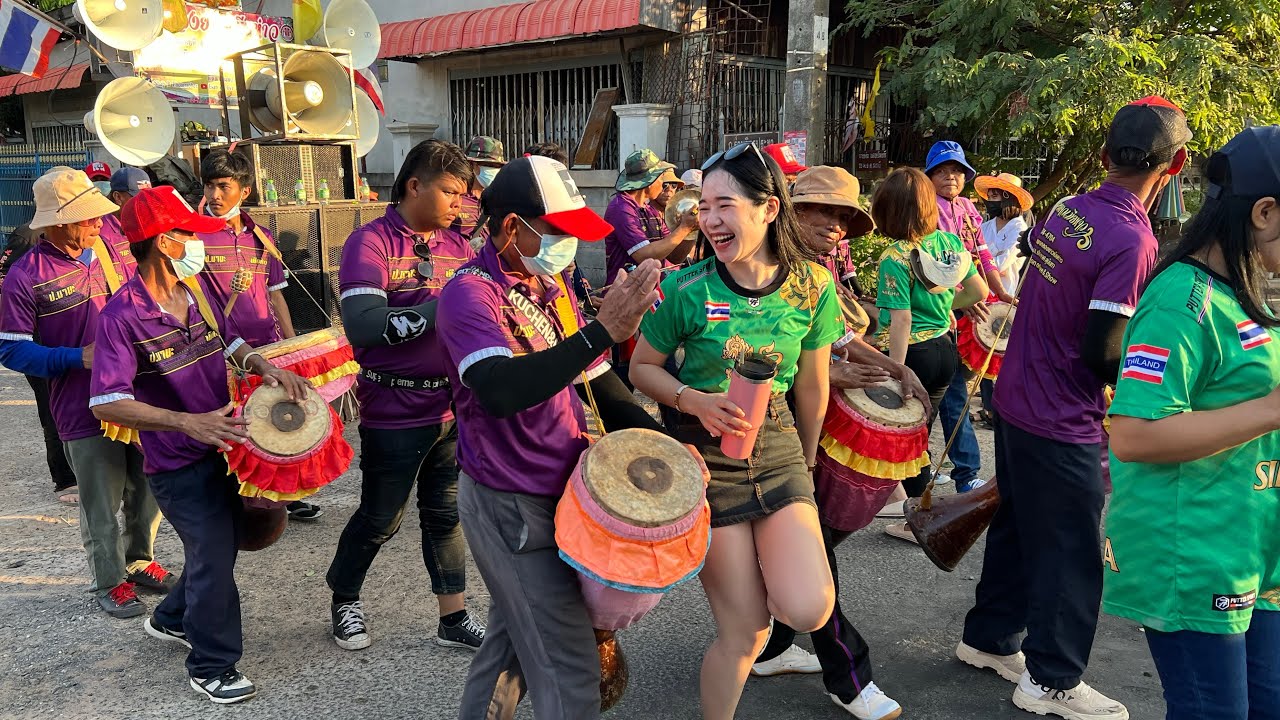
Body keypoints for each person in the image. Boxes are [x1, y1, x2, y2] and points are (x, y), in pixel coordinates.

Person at [957, 96, 1191, 720]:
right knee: (1068, 548)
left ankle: (987, 638)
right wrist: (1139, 393)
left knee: (1016, 522)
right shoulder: (1132, 237)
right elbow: (1101, 350)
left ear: (1104, 153)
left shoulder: (1069, 209)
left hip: (1015, 398)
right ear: (1177, 163)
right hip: (1063, 417)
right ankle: (1052, 679)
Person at [437, 155, 669, 719]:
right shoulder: (470, 294)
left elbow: (600, 386)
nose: (568, 246)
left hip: (561, 492)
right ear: (513, 226)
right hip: (509, 502)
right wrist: (602, 332)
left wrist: (666, 452)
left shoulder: (551, 283)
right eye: (560, 232)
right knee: (569, 667)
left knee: (510, 648)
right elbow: (498, 388)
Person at [631, 142, 841, 720]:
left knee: (810, 607)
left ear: (769, 208)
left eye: (724, 204)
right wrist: (694, 400)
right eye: (703, 205)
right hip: (705, 455)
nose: (710, 219)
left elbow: (813, 389)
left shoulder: (812, 287)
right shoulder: (686, 288)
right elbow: (641, 368)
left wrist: (805, 460)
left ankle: (767, 583)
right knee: (746, 632)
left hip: (777, 447)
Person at [90, 185, 311, 704]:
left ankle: (170, 617)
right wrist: (187, 423)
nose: (202, 243)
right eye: (192, 233)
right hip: (176, 461)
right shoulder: (121, 316)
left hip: (225, 447)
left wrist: (265, 365)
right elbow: (105, 401)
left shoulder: (195, 289)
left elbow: (229, 339)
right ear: (166, 242)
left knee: (223, 542)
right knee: (214, 553)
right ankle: (212, 664)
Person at [1104, 125, 1280, 720]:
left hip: (1253, 545)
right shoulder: (1182, 300)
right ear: (1264, 211)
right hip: (1195, 552)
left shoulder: (1245, 290)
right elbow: (1132, 435)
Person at [750, 164, 924, 719]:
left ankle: (773, 647)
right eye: (821, 211)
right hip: (763, 434)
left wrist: (895, 369)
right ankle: (849, 677)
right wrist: (817, 373)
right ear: (786, 211)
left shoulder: (814, 275)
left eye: (844, 216)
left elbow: (840, 337)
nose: (835, 225)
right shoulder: (754, 268)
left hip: (810, 431)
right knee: (814, 556)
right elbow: (740, 350)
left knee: (814, 544)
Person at [325, 139, 485, 653]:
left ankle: (452, 617)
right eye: (450, 192)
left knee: (445, 514)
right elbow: (365, 326)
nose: (458, 204)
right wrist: (452, 305)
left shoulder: (459, 247)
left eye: (463, 195)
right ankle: (344, 597)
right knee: (381, 516)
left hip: (451, 407)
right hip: (393, 409)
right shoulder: (369, 243)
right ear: (414, 185)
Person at [0, 167, 173, 618]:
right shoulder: (25, 275)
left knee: (146, 485)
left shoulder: (114, 250)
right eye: (89, 218)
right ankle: (108, 581)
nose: (100, 223)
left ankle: (140, 561)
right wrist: (78, 358)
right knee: (101, 501)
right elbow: (11, 351)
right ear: (58, 223)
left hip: (139, 395)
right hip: (81, 408)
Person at [196, 150, 316, 521]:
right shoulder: (192, 236)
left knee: (274, 420)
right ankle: (236, 499)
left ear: (244, 191)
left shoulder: (260, 237)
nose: (214, 195)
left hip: (265, 346)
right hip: (217, 351)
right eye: (209, 186)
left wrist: (292, 348)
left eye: (223, 187)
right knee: (230, 425)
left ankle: (283, 494)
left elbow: (277, 293)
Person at [871, 167, 987, 541]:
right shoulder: (949, 244)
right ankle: (910, 507)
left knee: (908, 437)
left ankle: (914, 520)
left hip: (915, 353)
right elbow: (979, 290)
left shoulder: (895, 256)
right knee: (923, 434)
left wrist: (896, 368)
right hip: (945, 349)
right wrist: (949, 307)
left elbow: (901, 320)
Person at [924, 141, 1005, 494]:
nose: (951, 177)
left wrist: (1001, 294)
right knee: (942, 391)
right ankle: (959, 471)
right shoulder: (926, 210)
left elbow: (982, 257)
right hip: (940, 307)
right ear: (929, 178)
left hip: (971, 304)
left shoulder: (969, 209)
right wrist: (964, 296)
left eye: (956, 170)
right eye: (942, 171)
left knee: (950, 391)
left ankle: (931, 468)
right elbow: (934, 261)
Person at [0, 224, 77, 502]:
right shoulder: (25, 238)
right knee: (51, 407)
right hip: (37, 342)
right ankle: (64, 479)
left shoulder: (88, 246)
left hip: (70, 337)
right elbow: (5, 279)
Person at [603, 148, 699, 285]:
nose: (662, 185)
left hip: (650, 294)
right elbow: (644, 255)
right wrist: (684, 228)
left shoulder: (649, 210)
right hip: (626, 295)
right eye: (661, 180)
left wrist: (692, 231)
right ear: (650, 181)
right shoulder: (622, 208)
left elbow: (675, 256)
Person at [975, 172, 1033, 297]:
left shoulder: (1019, 229)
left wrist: (982, 259)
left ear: (1008, 198)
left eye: (994, 196)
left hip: (1003, 296)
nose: (990, 201)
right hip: (978, 294)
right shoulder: (984, 227)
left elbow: (1000, 264)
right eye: (989, 197)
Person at [452, 135, 506, 249]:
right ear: (473, 165)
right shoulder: (456, 199)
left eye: (498, 166)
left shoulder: (499, 200)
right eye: (489, 165)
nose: (494, 170)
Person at [100, 167, 151, 273]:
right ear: (118, 197)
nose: (145, 204)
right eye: (139, 199)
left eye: (147, 198)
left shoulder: (148, 224)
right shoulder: (101, 233)